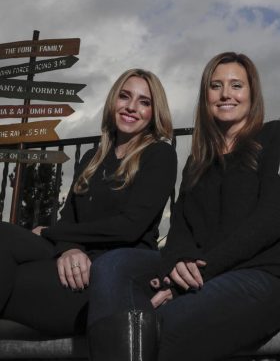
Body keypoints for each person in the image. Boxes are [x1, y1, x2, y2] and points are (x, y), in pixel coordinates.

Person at [87, 52, 280, 361]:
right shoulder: (198, 161)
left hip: (265, 276)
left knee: (163, 325)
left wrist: (193, 277)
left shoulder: (276, 136)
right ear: (206, 96)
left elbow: (272, 220)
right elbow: (180, 228)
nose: (225, 94)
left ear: (252, 94)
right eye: (216, 86)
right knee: (113, 267)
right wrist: (176, 262)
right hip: (207, 276)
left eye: (236, 85)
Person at [0, 68, 176, 336]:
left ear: (154, 112)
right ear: (113, 101)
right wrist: (70, 248)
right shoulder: (92, 158)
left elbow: (128, 227)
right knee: (3, 235)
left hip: (114, 267)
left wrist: (51, 233)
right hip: (77, 257)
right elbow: (68, 220)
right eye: (124, 96)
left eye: (144, 102)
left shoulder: (159, 154)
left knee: (15, 278)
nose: (131, 107)